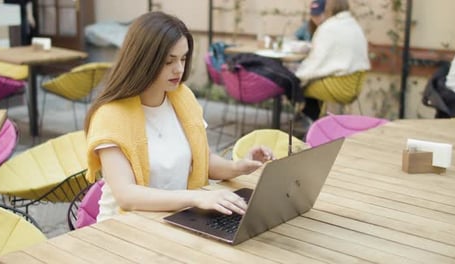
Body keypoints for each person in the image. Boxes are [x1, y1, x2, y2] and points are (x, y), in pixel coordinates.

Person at [84, 11, 273, 222]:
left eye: (183, 58)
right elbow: (127, 195)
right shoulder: (110, 115)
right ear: (143, 61)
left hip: (176, 221)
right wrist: (197, 198)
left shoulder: (182, 98)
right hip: (121, 229)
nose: (179, 69)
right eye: (168, 61)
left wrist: (238, 166)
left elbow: (203, 159)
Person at [295, 0, 370, 120]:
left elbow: (314, 63)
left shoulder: (328, 27)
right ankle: (319, 124)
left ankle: (316, 126)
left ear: (328, 9)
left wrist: (297, 77)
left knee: (298, 89)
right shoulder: (354, 25)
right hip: (355, 83)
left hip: (338, 87)